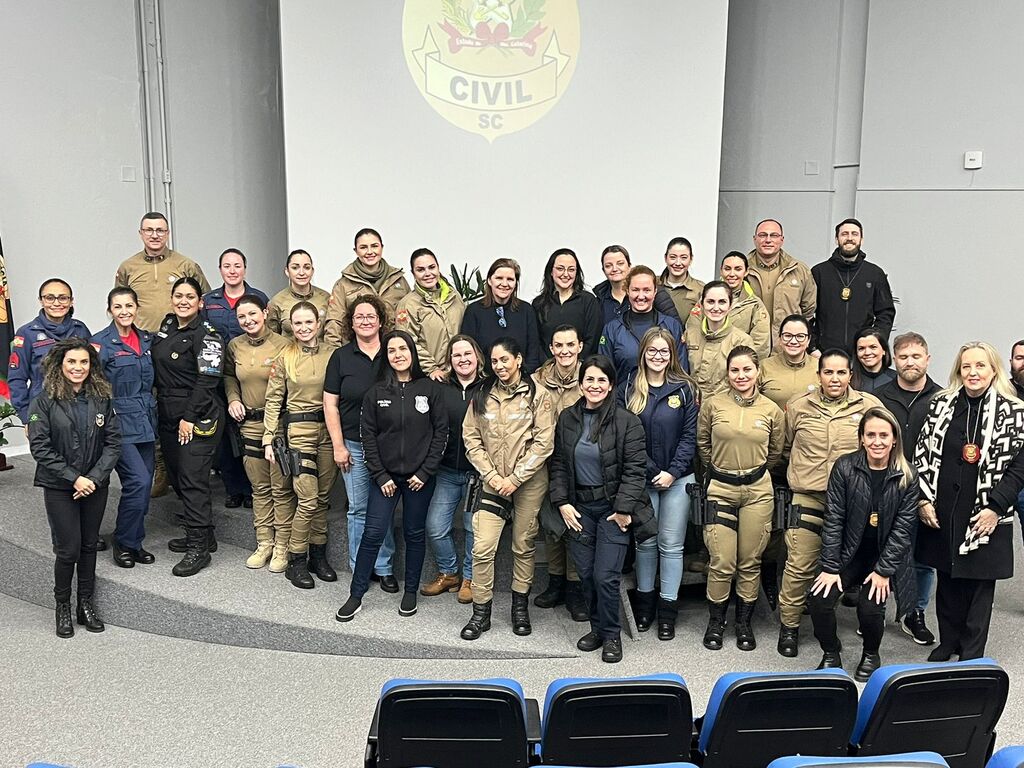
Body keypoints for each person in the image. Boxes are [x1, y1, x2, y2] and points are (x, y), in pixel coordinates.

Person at [915, 342, 1024, 661]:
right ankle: (949, 642)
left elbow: (1020, 465)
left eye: (980, 366)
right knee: (948, 578)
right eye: (966, 367)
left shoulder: (1014, 410)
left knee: (979, 584)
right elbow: (922, 454)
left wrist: (995, 508)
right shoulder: (940, 405)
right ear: (958, 371)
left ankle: (972, 652)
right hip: (945, 506)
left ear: (994, 370)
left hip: (989, 508)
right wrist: (923, 499)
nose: (973, 372)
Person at [777, 348, 884, 657]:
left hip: (854, 502)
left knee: (854, 562)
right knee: (798, 564)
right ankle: (790, 626)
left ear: (851, 375)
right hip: (808, 496)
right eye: (828, 372)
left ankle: (866, 623)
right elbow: (784, 448)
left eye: (841, 372)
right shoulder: (799, 407)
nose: (835, 378)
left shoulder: (869, 406)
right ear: (819, 375)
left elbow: (880, 448)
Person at [335, 331, 448, 622]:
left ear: (412, 352)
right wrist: (380, 474)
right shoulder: (376, 392)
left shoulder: (429, 389)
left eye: (403, 348)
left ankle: (410, 591)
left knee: (414, 533)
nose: (398, 354)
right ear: (386, 357)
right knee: (372, 533)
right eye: (392, 350)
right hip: (384, 479)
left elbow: (441, 434)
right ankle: (356, 594)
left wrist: (425, 472)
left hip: (418, 479)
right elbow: (367, 436)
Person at [550, 355, 652, 663]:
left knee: (605, 575)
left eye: (601, 380)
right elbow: (557, 465)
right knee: (586, 575)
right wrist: (562, 503)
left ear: (610, 386)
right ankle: (597, 628)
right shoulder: (567, 418)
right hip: (579, 508)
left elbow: (636, 471)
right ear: (581, 384)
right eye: (589, 379)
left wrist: (623, 510)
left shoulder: (627, 422)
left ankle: (611, 636)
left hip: (612, 510)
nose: (595, 385)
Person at [809, 407, 919, 680]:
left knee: (870, 608)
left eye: (884, 435)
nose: (877, 441)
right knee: (818, 599)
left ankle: (871, 654)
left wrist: (883, 572)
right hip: (849, 553)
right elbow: (834, 518)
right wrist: (831, 567)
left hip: (883, 558)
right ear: (861, 438)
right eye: (870, 435)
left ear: (894, 439)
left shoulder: (907, 474)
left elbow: (903, 530)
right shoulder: (845, 467)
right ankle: (831, 652)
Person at [460, 337, 555, 640]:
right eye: (494, 361)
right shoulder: (482, 393)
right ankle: (481, 612)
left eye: (505, 360)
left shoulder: (538, 395)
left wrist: (515, 478)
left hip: (528, 482)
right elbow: (471, 439)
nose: (499, 366)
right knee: (483, 546)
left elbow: (544, 443)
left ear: (518, 360)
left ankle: (519, 608)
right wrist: (491, 475)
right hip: (491, 481)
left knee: (523, 545)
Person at [27, 339, 120, 637]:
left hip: (95, 484)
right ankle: (63, 606)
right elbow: (40, 448)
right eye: (72, 362)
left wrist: (92, 478)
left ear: (91, 366)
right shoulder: (43, 401)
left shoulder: (102, 397)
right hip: (58, 486)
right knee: (68, 550)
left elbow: (114, 442)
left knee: (89, 545)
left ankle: (86, 605)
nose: (78, 368)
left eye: (84, 362)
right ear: (60, 365)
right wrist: (74, 478)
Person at [697, 346, 784, 652]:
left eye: (747, 369)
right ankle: (716, 622)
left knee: (750, 561)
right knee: (722, 561)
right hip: (720, 487)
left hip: (758, 491)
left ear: (757, 371)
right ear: (727, 373)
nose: (741, 376)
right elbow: (703, 444)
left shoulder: (772, 410)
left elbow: (775, 452)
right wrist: (723, 469)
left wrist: (751, 472)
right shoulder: (713, 404)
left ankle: (743, 623)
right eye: (735, 370)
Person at [621, 327, 699, 641]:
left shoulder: (685, 388)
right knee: (645, 544)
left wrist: (672, 472)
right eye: (651, 350)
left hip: (679, 479)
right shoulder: (628, 387)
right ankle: (644, 604)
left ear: (672, 355)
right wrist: (653, 471)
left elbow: (689, 438)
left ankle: (668, 609)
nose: (657, 356)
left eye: (663, 351)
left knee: (671, 545)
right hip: (641, 478)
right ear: (643, 353)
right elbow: (627, 435)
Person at [262, 302, 338, 589]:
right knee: (306, 498)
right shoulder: (285, 357)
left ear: (318, 324)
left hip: (329, 431)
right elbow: (273, 399)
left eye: (309, 322)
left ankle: (318, 556)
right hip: (299, 432)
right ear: (291, 327)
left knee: (321, 499)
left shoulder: (333, 354)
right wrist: (269, 437)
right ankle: (296, 560)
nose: (304, 328)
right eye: (298, 323)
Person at [323, 295, 397, 590]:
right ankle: (361, 567)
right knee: (358, 509)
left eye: (371, 316)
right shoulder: (341, 357)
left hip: (388, 447)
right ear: (350, 323)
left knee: (385, 507)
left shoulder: (393, 352)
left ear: (380, 320)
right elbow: (330, 405)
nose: (365, 321)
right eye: (359, 317)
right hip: (352, 444)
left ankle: (385, 565)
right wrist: (338, 446)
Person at [152, 277, 224, 577]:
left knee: (193, 479)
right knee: (179, 478)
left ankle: (199, 549)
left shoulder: (207, 334)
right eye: (178, 296)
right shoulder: (167, 328)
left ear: (200, 302)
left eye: (190, 297)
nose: (183, 301)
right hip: (168, 413)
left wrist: (189, 418)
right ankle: (204, 533)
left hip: (198, 415)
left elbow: (208, 380)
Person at [876, 331, 942, 645]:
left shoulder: (943, 399)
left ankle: (915, 613)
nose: (910, 362)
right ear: (895, 360)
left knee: (922, 557)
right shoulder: (880, 398)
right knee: (880, 550)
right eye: (903, 357)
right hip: (887, 487)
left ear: (927, 359)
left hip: (927, 492)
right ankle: (873, 610)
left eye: (916, 356)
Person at [223, 294, 295, 572]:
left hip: (276, 426)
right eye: (242, 317)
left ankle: (282, 546)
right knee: (259, 488)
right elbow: (229, 375)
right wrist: (233, 399)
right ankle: (264, 542)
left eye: (253, 314)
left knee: (280, 488)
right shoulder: (235, 345)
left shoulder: (284, 345)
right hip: (248, 424)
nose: (248, 321)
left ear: (265, 313)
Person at [91, 287, 157, 568]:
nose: (124, 311)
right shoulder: (100, 343)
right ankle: (124, 542)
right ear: (110, 310)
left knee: (144, 485)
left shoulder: (147, 339)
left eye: (129, 305)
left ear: (137, 307)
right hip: (119, 422)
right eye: (118, 307)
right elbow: (92, 387)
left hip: (146, 419)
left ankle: (134, 540)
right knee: (137, 482)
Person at [757, 314, 820, 608]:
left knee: (801, 529)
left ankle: (801, 591)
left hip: (808, 462)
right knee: (772, 527)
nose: (793, 342)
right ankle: (769, 584)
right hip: (771, 457)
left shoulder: (820, 369)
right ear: (779, 338)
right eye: (788, 336)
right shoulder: (765, 366)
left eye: (800, 337)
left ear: (808, 340)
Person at [420, 335, 486, 604]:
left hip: (477, 473)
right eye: (457, 355)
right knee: (435, 526)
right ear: (449, 360)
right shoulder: (439, 387)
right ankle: (449, 573)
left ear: (477, 356)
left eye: (467, 353)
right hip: (446, 471)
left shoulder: (488, 387)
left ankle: (469, 578)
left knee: (473, 528)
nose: (463, 359)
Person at [204, 248, 269, 509]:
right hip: (221, 377)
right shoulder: (209, 301)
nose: (232, 270)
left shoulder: (259, 297)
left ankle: (255, 488)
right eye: (227, 266)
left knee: (251, 433)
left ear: (245, 268)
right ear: (220, 270)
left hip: (253, 374)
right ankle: (234, 488)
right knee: (225, 435)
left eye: (237, 265)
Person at [532, 324, 588, 621]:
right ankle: (555, 583)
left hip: (581, 463)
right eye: (559, 346)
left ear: (580, 346)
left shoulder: (589, 377)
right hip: (546, 462)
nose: (565, 351)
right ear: (551, 349)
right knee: (552, 524)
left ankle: (574, 588)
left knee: (575, 525)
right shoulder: (537, 380)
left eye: (570, 345)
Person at [9, 279, 93, 424]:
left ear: (71, 301)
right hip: (43, 410)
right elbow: (17, 379)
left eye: (63, 298)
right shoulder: (26, 333)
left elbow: (93, 370)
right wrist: (27, 418)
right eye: (49, 298)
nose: (56, 303)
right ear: (41, 301)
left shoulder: (80, 329)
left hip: (80, 408)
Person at [115, 212, 210, 333]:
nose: (154, 235)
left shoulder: (187, 265)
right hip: (141, 339)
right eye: (149, 230)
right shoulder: (127, 267)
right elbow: (118, 304)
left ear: (168, 233)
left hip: (179, 337)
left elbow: (206, 300)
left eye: (160, 230)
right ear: (141, 233)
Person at [811, 218, 896, 353]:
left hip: (863, 354)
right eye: (844, 234)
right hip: (824, 353)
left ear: (861, 239)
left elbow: (886, 312)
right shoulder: (819, 272)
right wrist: (812, 347)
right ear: (836, 239)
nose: (849, 238)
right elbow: (808, 312)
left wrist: (875, 343)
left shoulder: (875, 273)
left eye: (854, 234)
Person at [600, 265, 687, 385]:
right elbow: (604, 373)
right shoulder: (612, 329)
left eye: (646, 290)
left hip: (664, 400)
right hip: (624, 399)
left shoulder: (672, 326)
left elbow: (681, 372)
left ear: (655, 291)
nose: (641, 296)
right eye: (635, 290)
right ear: (627, 291)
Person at [324, 228, 410, 346]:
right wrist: (335, 356)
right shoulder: (343, 285)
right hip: (357, 353)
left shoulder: (398, 280)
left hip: (393, 352)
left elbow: (409, 319)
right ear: (356, 251)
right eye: (363, 247)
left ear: (382, 247)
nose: (370, 252)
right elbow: (334, 323)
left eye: (374, 246)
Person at [460, 258, 543, 374]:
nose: (504, 284)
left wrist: (523, 378)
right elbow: (467, 350)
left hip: (521, 381)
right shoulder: (474, 311)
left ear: (515, 283)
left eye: (510, 279)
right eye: (499, 278)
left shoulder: (526, 310)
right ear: (489, 280)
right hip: (483, 382)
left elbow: (533, 352)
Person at [395, 248, 465, 381]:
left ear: (438, 268)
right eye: (420, 270)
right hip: (429, 376)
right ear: (413, 274)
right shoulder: (408, 304)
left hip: (459, 372)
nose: (428, 273)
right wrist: (432, 369)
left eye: (431, 267)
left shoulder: (454, 296)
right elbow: (408, 342)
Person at [745, 219, 816, 347]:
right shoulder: (741, 269)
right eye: (762, 235)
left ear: (781, 240)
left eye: (774, 235)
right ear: (754, 239)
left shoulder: (799, 270)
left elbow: (808, 311)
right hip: (750, 345)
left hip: (786, 347)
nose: (768, 240)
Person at [684, 280, 754, 401]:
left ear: (730, 305)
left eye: (722, 302)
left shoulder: (742, 340)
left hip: (724, 408)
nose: (716, 308)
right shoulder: (690, 334)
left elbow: (745, 383)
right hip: (690, 407)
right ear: (701, 304)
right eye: (710, 302)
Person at [531, 248, 602, 357]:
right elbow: (536, 342)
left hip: (581, 369)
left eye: (571, 269)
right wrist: (549, 367)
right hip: (547, 370)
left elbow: (592, 340)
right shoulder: (539, 304)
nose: (565, 274)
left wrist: (575, 366)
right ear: (551, 271)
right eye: (560, 269)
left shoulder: (589, 301)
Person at [593, 244, 680, 326]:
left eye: (620, 263)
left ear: (629, 266)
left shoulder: (654, 293)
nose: (615, 269)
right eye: (608, 266)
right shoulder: (599, 300)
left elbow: (675, 326)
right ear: (603, 270)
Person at [716, 251, 771, 359]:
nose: (732, 274)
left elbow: (760, 344)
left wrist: (741, 367)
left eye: (738, 269)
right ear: (721, 271)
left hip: (737, 368)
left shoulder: (755, 305)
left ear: (746, 272)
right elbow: (693, 326)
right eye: (727, 269)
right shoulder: (708, 297)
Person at [267, 249, 331, 340]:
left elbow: (333, 332)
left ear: (312, 271)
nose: (301, 273)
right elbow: (271, 339)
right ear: (287, 271)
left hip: (321, 352)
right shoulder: (277, 302)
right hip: (288, 352)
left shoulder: (325, 298)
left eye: (307, 267)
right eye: (295, 268)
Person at [658, 236, 705, 321]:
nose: (678, 263)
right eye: (673, 257)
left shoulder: (700, 289)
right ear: (665, 258)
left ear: (691, 259)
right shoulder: (654, 283)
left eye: (683, 258)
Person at [851, 327, 896, 394]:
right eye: (861, 348)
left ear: (884, 350)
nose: (867, 353)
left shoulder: (897, 379)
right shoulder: (848, 379)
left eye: (873, 347)